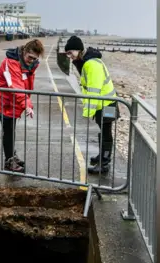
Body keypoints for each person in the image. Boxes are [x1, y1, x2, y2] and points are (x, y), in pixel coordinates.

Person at [65, 36, 119, 174]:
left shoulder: (91, 64)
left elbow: (94, 89)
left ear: (78, 50)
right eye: (67, 54)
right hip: (106, 104)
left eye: (70, 52)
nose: (70, 56)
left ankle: (104, 163)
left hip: (107, 105)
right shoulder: (87, 62)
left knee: (106, 133)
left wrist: (88, 112)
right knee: (104, 131)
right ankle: (102, 157)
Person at [0, 39, 45, 173]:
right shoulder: (11, 63)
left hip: (15, 101)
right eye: (30, 57)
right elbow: (16, 86)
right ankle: (9, 161)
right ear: (24, 52)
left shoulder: (29, 65)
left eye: (34, 59)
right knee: (8, 130)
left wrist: (25, 102)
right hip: (5, 101)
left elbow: (25, 85)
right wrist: (27, 104)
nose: (31, 61)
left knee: (11, 130)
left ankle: (12, 156)